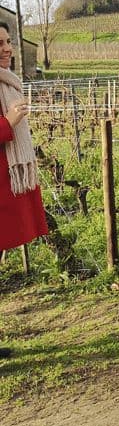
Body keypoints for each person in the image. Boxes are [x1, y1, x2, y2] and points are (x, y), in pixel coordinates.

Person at [0, 21, 48, 255]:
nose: (7, 48)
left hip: (8, 182)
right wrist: (8, 122)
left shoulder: (8, 82)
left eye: (8, 41)